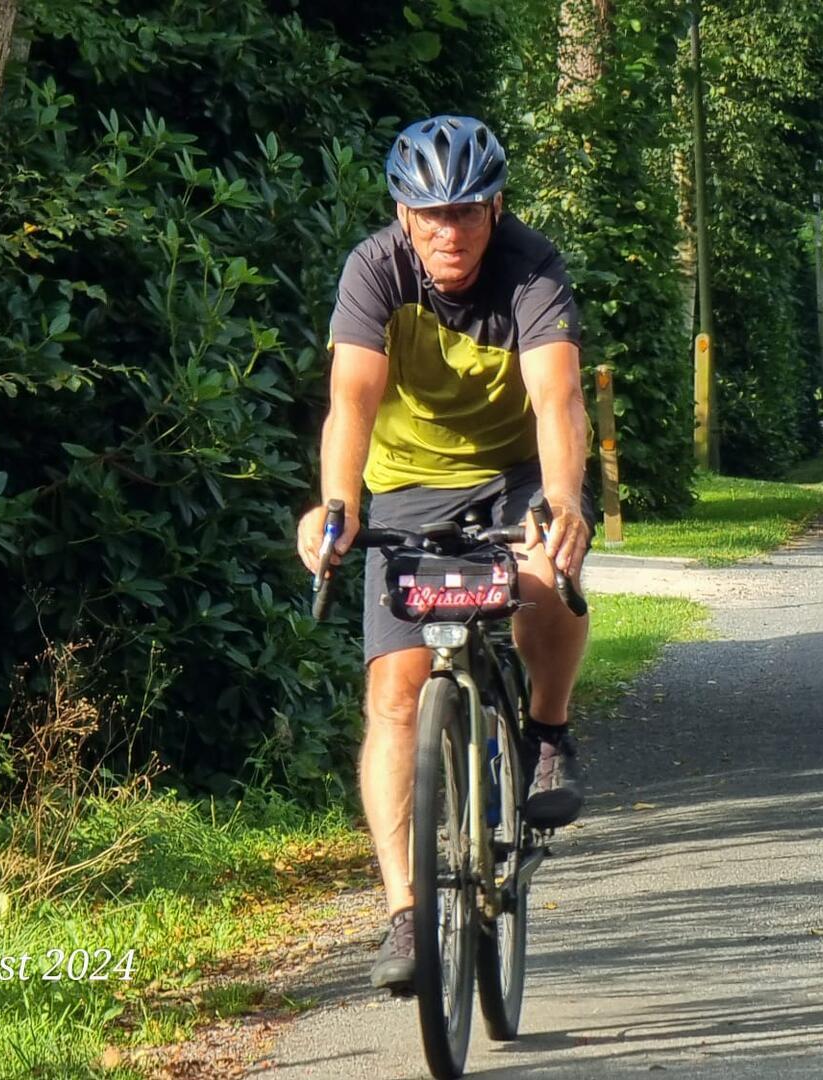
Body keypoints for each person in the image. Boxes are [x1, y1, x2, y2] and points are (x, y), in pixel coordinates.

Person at [296, 115, 594, 992]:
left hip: (517, 473)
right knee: (393, 691)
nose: (446, 231)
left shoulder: (531, 268)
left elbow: (558, 397)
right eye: (427, 214)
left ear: (496, 207)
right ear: (401, 210)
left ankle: (547, 731)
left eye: (464, 211)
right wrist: (337, 506)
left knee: (545, 577)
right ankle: (403, 914)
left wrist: (565, 501)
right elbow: (350, 399)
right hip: (408, 485)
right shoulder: (374, 269)